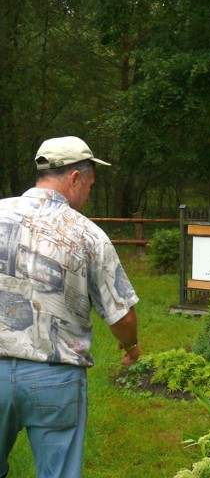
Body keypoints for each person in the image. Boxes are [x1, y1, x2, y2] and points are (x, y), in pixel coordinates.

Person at [0, 136, 141, 478]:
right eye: (90, 184)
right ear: (74, 178)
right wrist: (131, 346)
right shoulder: (89, 235)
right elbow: (122, 314)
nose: (90, 193)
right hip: (55, 377)